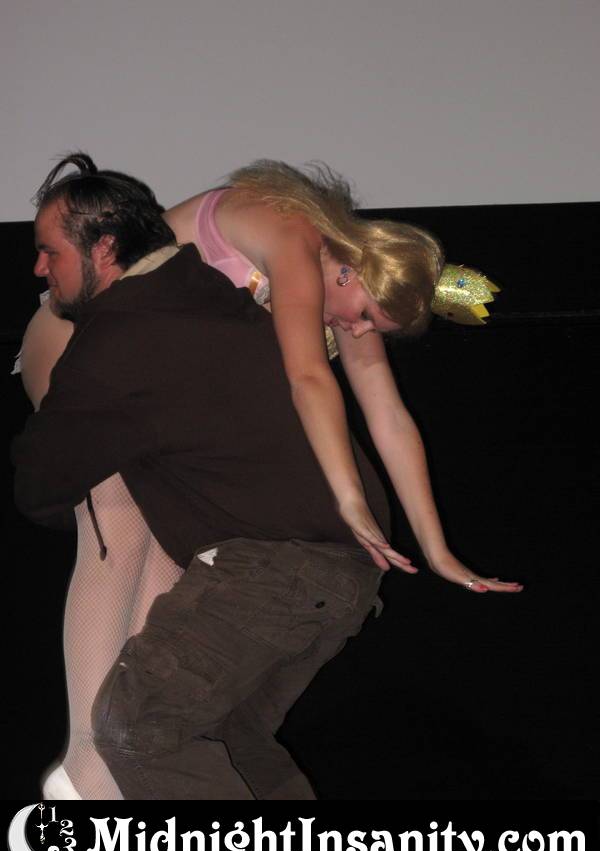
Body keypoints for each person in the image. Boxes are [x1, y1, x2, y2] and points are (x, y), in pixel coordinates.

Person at [16, 155, 522, 799]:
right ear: (350, 269)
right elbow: (309, 377)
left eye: (372, 329)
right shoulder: (294, 234)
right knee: (117, 507)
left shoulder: (344, 287)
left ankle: (118, 753)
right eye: (363, 316)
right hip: (73, 330)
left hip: (155, 371)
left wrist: (438, 549)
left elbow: (389, 417)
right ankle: (90, 759)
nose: (355, 330)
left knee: (175, 533)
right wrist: (347, 500)